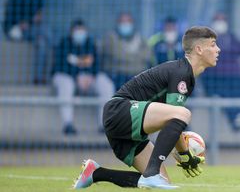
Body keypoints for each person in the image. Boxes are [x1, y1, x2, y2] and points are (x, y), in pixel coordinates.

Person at [73, 26, 220, 189]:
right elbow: (175, 116)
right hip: (120, 110)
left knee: (162, 182)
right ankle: (152, 173)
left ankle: (97, 173)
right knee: (183, 113)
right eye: (213, 44)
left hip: (125, 124)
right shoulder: (181, 72)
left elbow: (172, 121)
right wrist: (185, 154)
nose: (218, 49)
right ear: (199, 49)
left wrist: (184, 155)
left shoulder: (186, 74)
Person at [52, 19, 114, 135]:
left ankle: (104, 125)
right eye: (77, 30)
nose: (80, 33)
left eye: (82, 30)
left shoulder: (90, 44)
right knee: (66, 84)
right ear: (71, 31)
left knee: (105, 83)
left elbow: (97, 65)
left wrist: (90, 75)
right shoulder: (64, 43)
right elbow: (60, 65)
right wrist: (77, 76)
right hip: (67, 77)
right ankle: (68, 124)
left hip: (87, 79)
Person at [3, 0, 52, 84]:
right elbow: (11, 16)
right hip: (17, 30)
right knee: (45, 31)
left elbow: (39, 17)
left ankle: (38, 78)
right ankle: (53, 42)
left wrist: (32, 21)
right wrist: (26, 21)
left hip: (33, 30)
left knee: (42, 42)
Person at [202, 13, 240, 132]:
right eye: (217, 20)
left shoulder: (230, 37)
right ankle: (236, 119)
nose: (220, 23)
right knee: (224, 92)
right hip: (215, 78)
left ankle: (239, 117)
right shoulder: (207, 39)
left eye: (222, 20)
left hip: (232, 76)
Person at [101, 12, 152, 89]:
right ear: (117, 23)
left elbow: (147, 55)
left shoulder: (140, 39)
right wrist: (136, 57)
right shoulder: (111, 38)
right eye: (122, 22)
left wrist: (126, 56)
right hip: (116, 77)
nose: (125, 24)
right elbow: (117, 55)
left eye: (128, 21)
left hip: (137, 76)